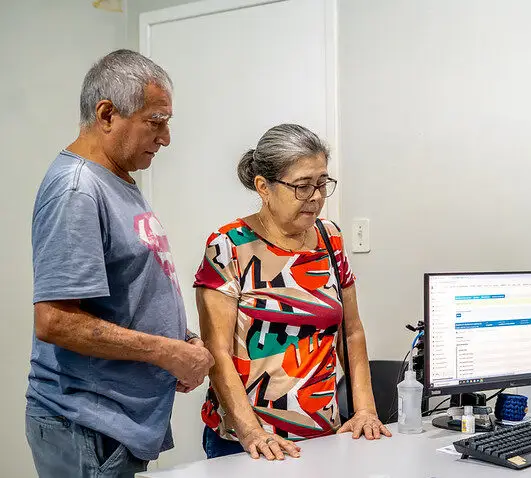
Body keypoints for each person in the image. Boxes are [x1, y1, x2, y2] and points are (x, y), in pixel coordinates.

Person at [26, 49, 214, 478]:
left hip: (114, 426)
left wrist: (181, 341)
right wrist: (167, 353)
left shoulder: (118, 180)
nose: (165, 138)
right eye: (156, 122)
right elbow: (55, 321)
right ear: (107, 114)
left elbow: (129, 290)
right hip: (85, 425)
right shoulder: (78, 190)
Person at [195, 123, 390, 460]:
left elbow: (352, 331)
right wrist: (253, 433)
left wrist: (365, 410)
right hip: (248, 444)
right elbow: (218, 352)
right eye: (302, 186)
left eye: (322, 184)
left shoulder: (330, 239)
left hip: (324, 434)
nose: (315, 197)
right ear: (263, 187)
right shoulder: (228, 246)